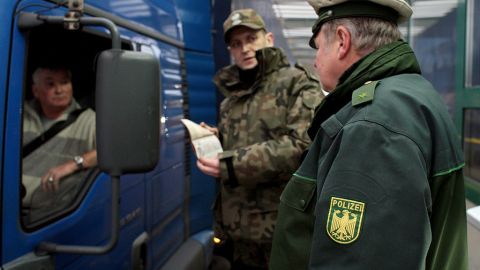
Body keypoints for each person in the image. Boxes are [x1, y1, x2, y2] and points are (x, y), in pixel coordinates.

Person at [269, 0, 469, 269]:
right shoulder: (409, 94)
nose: (315, 62)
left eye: (317, 47)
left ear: (342, 40)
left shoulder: (373, 126)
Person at [196, 8, 323, 270]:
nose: (245, 48)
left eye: (251, 38)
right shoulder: (232, 98)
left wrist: (231, 163)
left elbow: (302, 146)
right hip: (237, 232)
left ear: (269, 39)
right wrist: (216, 138)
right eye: (236, 43)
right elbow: (248, 139)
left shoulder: (296, 83)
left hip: (279, 232)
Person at [22, 65, 97, 222]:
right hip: (13, 211)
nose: (60, 90)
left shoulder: (90, 121)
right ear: (36, 91)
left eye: (64, 82)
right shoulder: (18, 116)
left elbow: (112, 151)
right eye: (50, 84)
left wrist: (73, 164)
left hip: (56, 216)